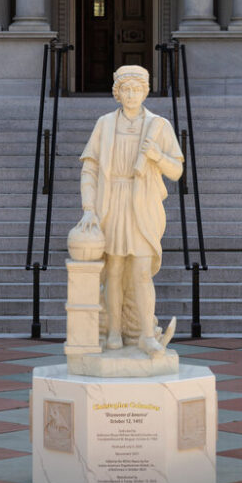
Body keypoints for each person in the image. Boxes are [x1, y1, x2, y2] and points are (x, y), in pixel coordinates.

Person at [76, 65, 184, 357]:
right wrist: (88, 208)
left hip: (143, 206)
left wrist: (157, 156)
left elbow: (176, 170)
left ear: (146, 91)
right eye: (126, 89)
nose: (132, 94)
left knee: (140, 272)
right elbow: (90, 168)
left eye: (138, 89)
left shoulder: (159, 125)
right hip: (111, 204)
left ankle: (146, 335)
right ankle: (113, 332)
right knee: (114, 270)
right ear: (117, 93)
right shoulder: (105, 124)